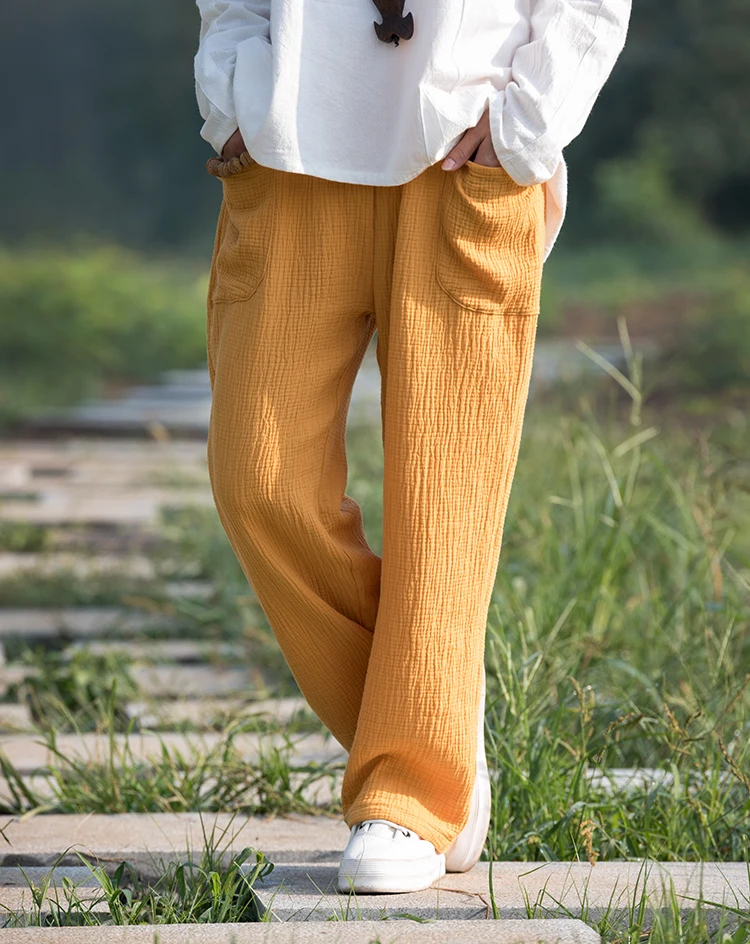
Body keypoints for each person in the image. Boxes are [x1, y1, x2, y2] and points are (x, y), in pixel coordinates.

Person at [194, 0, 631, 895]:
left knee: (444, 502)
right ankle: (434, 718)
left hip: (463, 147)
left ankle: (411, 791)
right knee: (258, 480)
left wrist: (526, 122)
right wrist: (232, 88)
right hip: (289, 145)